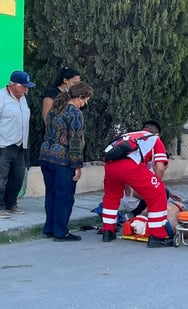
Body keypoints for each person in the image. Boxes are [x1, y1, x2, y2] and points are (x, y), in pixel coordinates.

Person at [101, 120, 173, 248]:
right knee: (158, 193)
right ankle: (158, 236)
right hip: (129, 166)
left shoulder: (131, 135)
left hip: (110, 166)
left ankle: (108, 231)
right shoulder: (155, 139)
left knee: (111, 197)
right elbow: (160, 168)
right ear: (157, 134)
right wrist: (157, 184)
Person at [39, 82, 92, 241]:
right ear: (80, 97)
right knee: (65, 196)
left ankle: (49, 228)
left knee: (51, 195)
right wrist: (77, 166)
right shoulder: (75, 114)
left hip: (46, 156)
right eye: (86, 99)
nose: (86, 103)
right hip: (63, 161)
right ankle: (61, 231)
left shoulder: (55, 109)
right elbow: (75, 142)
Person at [0, 71, 36, 219]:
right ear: (14, 85)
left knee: (17, 176)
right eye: (24, 87)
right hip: (3, 144)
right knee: (0, 177)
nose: (26, 90)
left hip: (20, 144)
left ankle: (11, 203)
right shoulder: (1, 97)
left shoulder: (22, 98)